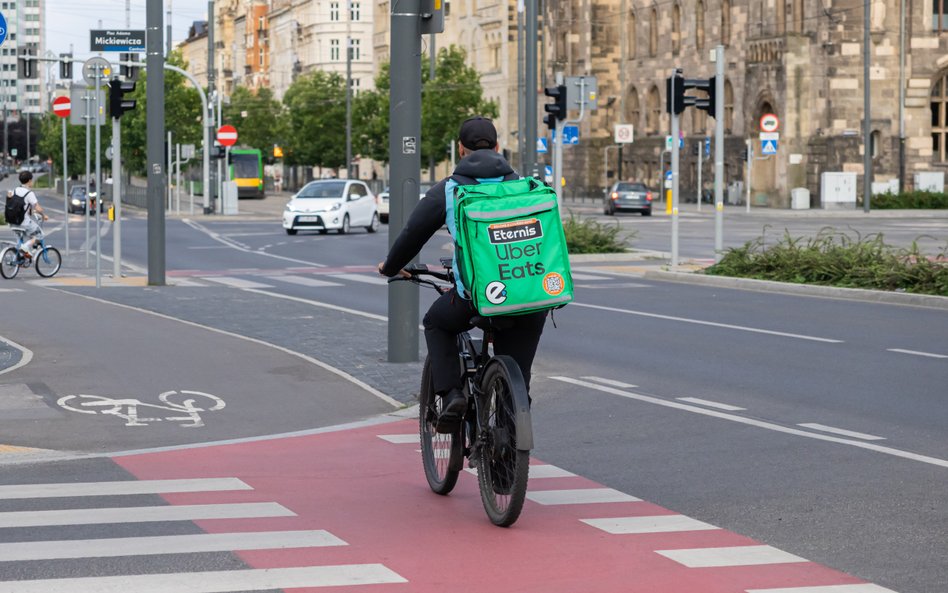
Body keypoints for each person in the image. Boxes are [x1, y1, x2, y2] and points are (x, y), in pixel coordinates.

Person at [378, 117, 547, 433]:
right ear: (498, 148)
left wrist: (389, 267)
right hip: (530, 294)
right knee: (518, 381)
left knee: (436, 322)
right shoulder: (526, 187)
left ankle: (452, 394)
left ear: (460, 149)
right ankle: (509, 457)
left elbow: (413, 234)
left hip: (479, 297)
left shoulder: (451, 189)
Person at [8, 171, 47, 258]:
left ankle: (20, 259)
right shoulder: (29, 193)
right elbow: (37, 207)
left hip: (12, 222)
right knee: (40, 235)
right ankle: (25, 247)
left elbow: (20, 206)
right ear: (29, 181)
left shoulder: (14, 191)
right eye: (31, 180)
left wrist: (32, 212)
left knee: (20, 242)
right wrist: (43, 214)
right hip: (24, 223)